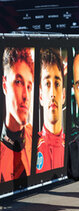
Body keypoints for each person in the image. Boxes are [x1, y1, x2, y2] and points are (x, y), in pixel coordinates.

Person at [0, 47, 34, 182]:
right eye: (18, 82)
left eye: (29, 86)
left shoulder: (35, 139)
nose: (25, 96)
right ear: (4, 85)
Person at [36, 48, 66, 173]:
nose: (53, 93)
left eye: (57, 84)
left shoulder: (71, 145)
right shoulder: (30, 148)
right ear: (41, 95)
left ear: (63, 95)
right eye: (47, 84)